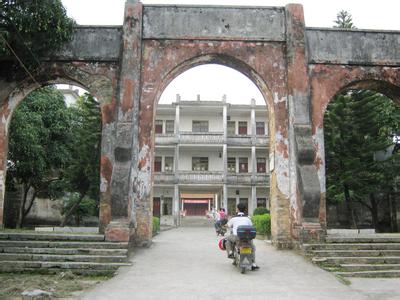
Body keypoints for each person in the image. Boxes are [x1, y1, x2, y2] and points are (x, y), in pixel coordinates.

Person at [225, 203, 259, 270]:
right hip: (247, 238)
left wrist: (225, 226)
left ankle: (231, 252)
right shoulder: (248, 218)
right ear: (245, 209)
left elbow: (227, 225)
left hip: (236, 237)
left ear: (237, 209)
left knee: (227, 239)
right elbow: (251, 226)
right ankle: (253, 264)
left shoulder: (233, 218)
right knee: (253, 248)